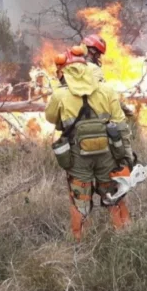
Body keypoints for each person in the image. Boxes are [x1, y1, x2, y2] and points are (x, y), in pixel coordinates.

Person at [45, 53, 133, 242]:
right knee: (114, 197)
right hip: (107, 157)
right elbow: (121, 125)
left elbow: (51, 118)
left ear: (65, 73)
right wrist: (127, 156)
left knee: (80, 203)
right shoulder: (107, 90)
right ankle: (126, 238)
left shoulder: (60, 94)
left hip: (78, 159)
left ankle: (81, 246)